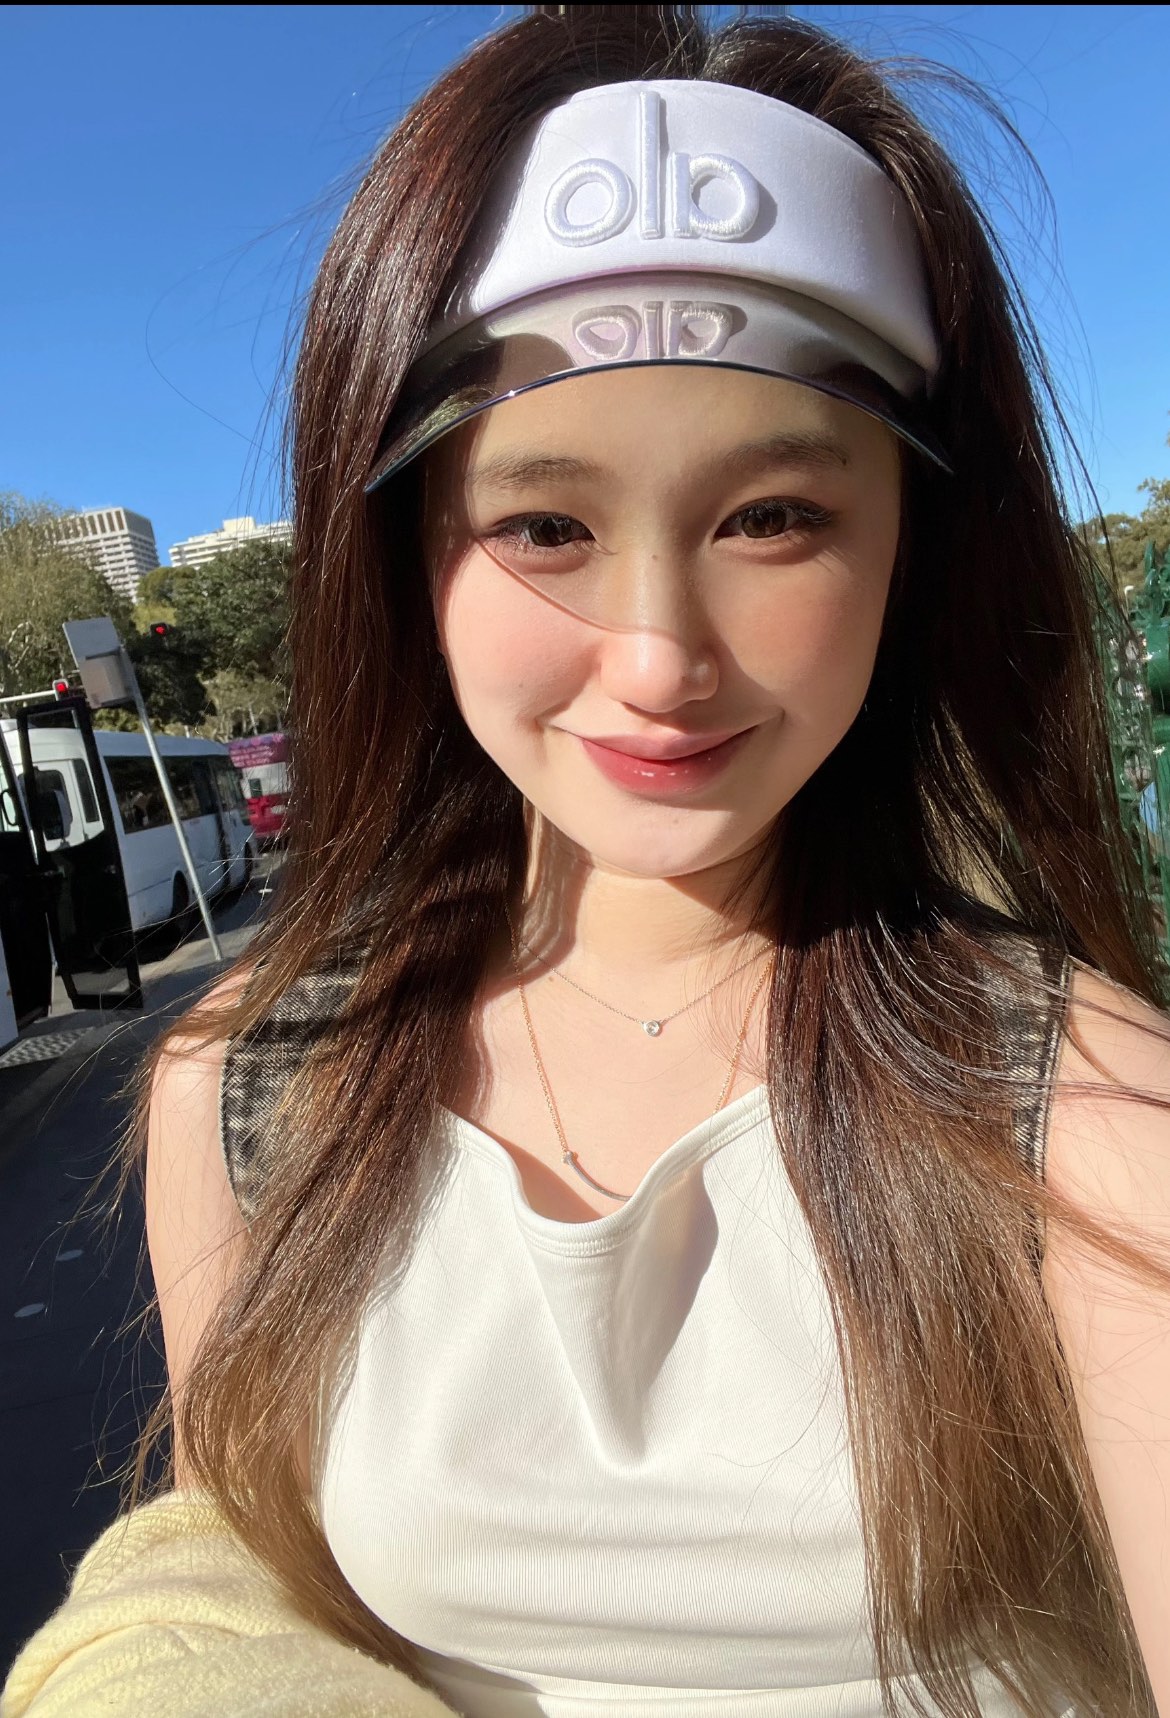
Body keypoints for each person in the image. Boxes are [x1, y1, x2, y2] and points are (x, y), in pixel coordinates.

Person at [5, 8, 1170, 1717]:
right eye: (542, 524)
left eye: (772, 515)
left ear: (909, 548)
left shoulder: (1086, 1121)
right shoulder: (251, 1090)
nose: (656, 660)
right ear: (406, 560)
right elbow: (227, 1590)